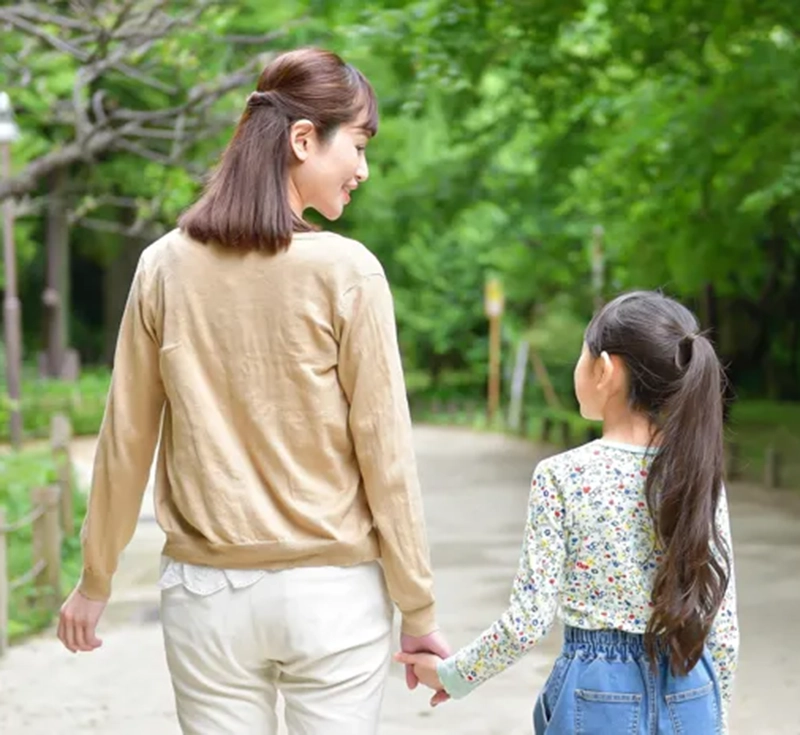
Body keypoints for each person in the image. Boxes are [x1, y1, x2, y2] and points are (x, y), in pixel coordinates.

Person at [57, 47, 449, 734]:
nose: (363, 168)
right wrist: (417, 612)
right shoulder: (348, 271)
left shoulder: (163, 266)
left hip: (207, 598)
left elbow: (126, 441)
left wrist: (97, 579)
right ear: (304, 140)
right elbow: (386, 455)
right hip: (333, 596)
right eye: (356, 146)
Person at [397, 290, 740, 734]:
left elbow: (528, 622)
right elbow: (723, 625)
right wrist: (718, 713)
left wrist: (453, 676)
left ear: (605, 369)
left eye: (582, 356)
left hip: (597, 694)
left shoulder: (564, 475)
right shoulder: (698, 475)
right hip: (691, 686)